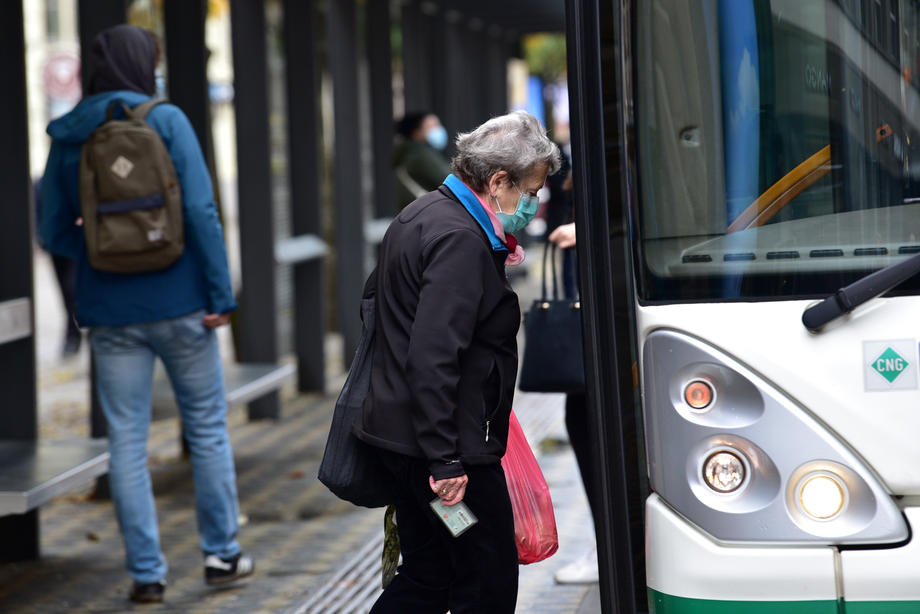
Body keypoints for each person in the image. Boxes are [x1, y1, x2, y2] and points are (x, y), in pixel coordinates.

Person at [39, 25, 252, 604]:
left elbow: (52, 229)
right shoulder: (168, 120)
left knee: (126, 442)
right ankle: (222, 555)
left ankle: (148, 574)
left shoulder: (69, 133)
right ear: (145, 66)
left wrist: (100, 254)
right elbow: (204, 212)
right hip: (184, 302)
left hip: (109, 313)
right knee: (206, 428)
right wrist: (220, 295)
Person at [355, 110, 561, 613]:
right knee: (484, 579)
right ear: (497, 181)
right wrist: (445, 461)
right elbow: (433, 356)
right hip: (450, 453)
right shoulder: (460, 242)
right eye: (529, 191)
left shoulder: (425, 213)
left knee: (430, 574)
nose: (532, 204)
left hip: (413, 441)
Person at [393, 111, 452, 210]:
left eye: (438, 125)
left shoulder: (409, 152)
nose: (438, 129)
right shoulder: (421, 155)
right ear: (416, 133)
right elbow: (450, 181)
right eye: (432, 126)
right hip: (428, 213)